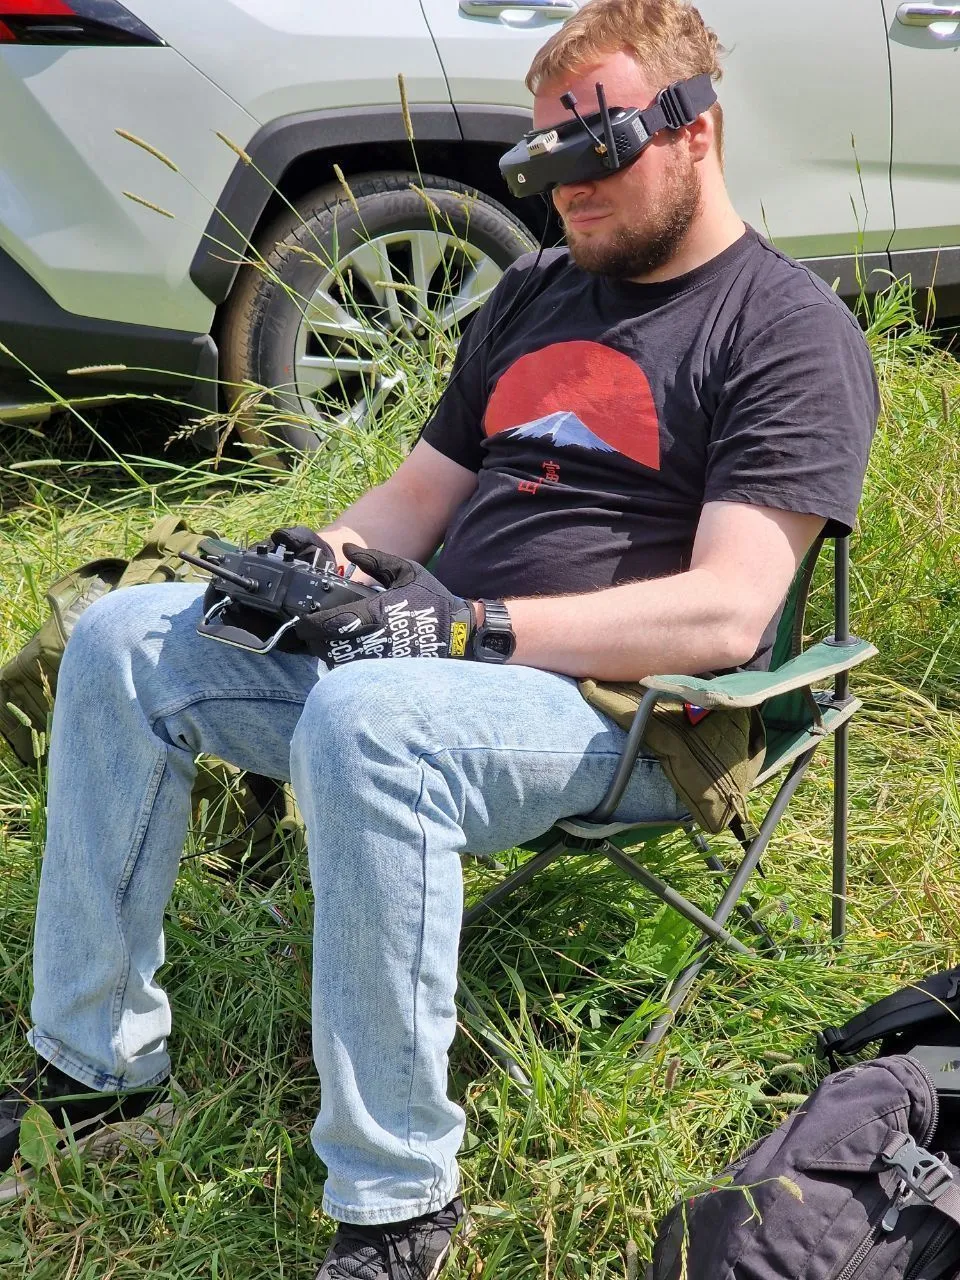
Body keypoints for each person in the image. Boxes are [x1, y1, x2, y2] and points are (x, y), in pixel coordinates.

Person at [0, 0, 879, 1275]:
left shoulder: (785, 328)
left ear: (697, 131)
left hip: (624, 710)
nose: (567, 187)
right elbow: (415, 499)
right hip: (435, 658)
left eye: (600, 148)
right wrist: (320, 562)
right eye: (542, 160)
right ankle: (97, 1076)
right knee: (126, 634)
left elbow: (728, 609)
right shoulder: (534, 292)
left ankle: (399, 1202)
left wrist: (466, 629)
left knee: (373, 717)